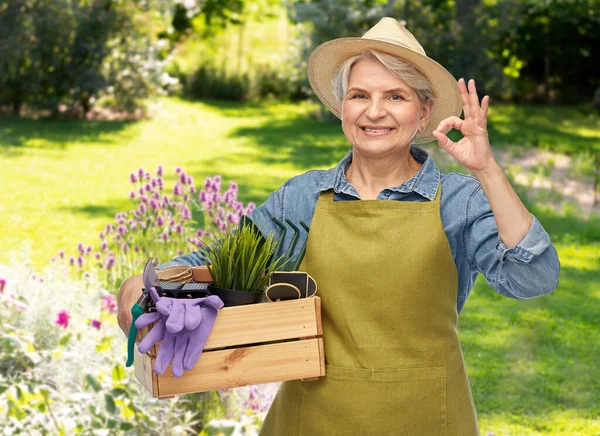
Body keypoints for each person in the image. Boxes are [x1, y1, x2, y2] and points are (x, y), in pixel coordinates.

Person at [117, 17, 560, 435]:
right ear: (343, 106)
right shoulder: (304, 198)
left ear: (424, 112)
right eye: (360, 95)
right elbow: (216, 265)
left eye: (396, 96)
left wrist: (488, 171)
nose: (375, 112)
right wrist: (140, 288)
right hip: (314, 421)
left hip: (427, 419)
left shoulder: (459, 202)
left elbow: (533, 277)